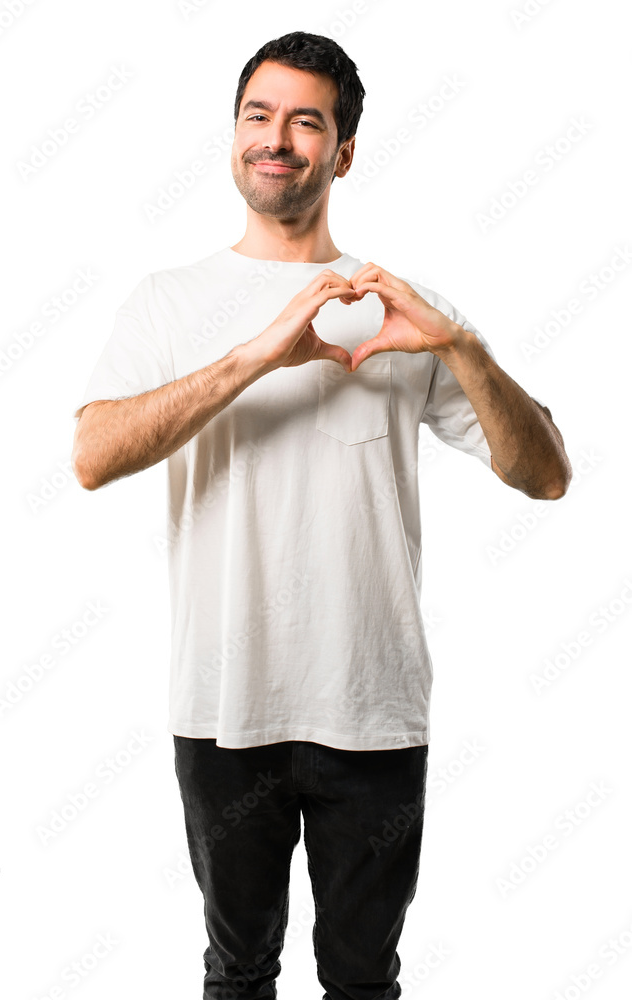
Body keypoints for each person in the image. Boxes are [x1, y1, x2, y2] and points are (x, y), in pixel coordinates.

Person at [71, 29, 571, 1000]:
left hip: (372, 710)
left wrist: (462, 347)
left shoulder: (404, 309)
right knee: (237, 968)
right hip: (224, 706)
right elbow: (94, 456)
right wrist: (260, 354)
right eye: (258, 116)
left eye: (306, 122)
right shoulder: (168, 302)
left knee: (360, 978)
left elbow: (545, 475)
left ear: (341, 152)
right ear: (232, 137)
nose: (277, 138)